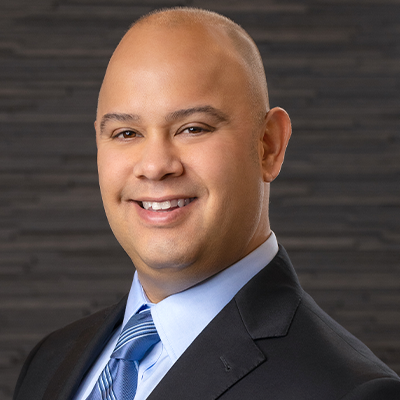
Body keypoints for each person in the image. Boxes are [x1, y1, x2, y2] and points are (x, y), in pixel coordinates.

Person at [13, 7, 400, 400]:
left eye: (193, 128)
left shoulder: (351, 390)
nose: (154, 166)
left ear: (268, 146)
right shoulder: (50, 361)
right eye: (126, 132)